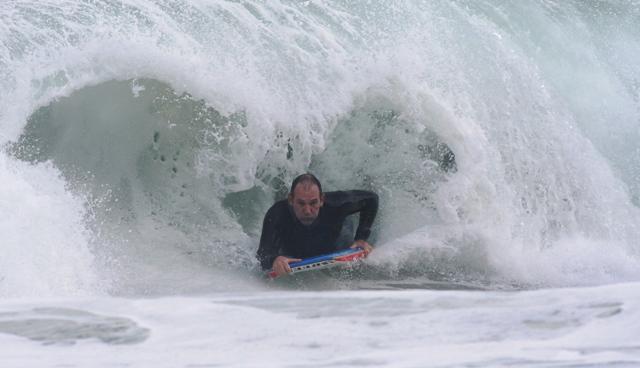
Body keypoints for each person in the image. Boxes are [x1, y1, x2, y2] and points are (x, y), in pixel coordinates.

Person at [257, 173, 379, 277]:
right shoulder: (277, 213)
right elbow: (262, 254)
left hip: (335, 241)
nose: (307, 210)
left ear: (321, 199)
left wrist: (361, 238)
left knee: (346, 233)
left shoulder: (336, 203)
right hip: (293, 250)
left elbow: (371, 199)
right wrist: (275, 260)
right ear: (290, 200)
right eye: (301, 203)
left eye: (313, 203)